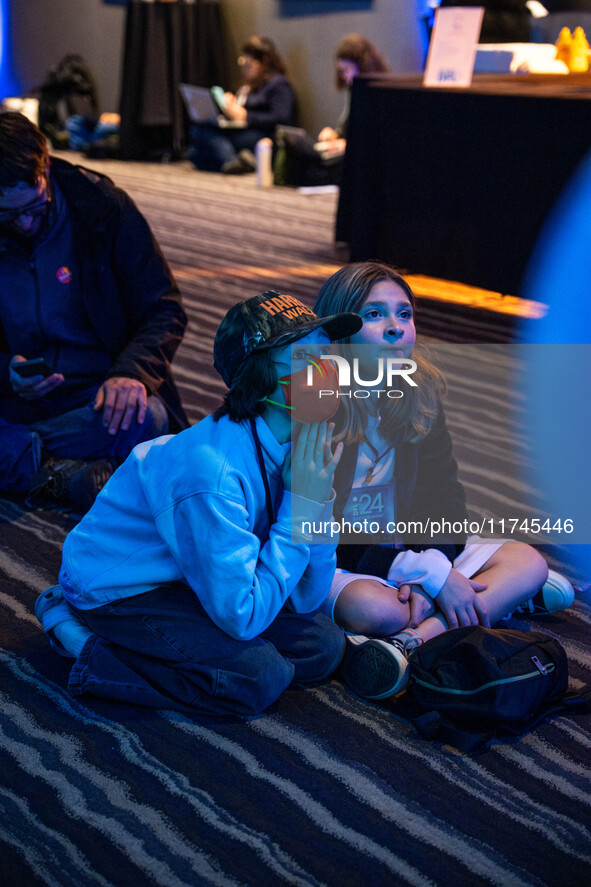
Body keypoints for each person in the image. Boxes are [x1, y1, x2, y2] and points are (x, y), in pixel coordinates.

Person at [34, 291, 363, 719]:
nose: (326, 370)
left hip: (195, 577)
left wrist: (317, 498)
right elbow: (242, 618)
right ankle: (82, 640)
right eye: (304, 355)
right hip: (122, 588)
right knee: (259, 677)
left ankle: (177, 647)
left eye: (326, 352)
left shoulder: (300, 445)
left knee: (324, 645)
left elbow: (305, 597)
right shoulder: (211, 472)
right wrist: (301, 506)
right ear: (260, 374)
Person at [313, 262, 575, 700]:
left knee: (530, 561)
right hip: (341, 556)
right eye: (374, 315)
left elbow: (446, 501)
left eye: (404, 313)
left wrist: (431, 565)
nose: (396, 328)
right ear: (341, 331)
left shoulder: (419, 392)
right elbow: (319, 530)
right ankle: (486, 604)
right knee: (375, 609)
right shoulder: (317, 402)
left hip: (411, 548)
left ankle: (410, 642)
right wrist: (424, 572)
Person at [0, 112, 189, 513]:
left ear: (45, 166)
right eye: (9, 216)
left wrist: (130, 373)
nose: (27, 223)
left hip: (97, 396)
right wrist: (5, 371)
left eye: (34, 205)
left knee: (147, 418)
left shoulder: (103, 210)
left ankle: (28, 460)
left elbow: (164, 309)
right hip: (18, 400)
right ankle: (66, 476)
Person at [275, 34, 390, 188]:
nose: (346, 76)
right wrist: (334, 135)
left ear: (363, 65)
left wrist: (346, 144)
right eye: (342, 72)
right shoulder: (354, 92)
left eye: (348, 70)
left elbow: (379, 139)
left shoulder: (380, 93)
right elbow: (347, 130)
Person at [188, 36, 297, 175]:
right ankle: (238, 161)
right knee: (196, 143)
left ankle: (230, 160)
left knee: (202, 138)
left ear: (264, 62)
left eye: (248, 63)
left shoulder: (278, 84)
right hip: (241, 131)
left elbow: (282, 118)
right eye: (242, 63)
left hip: (263, 136)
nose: (244, 68)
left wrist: (246, 116)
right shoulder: (248, 86)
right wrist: (229, 104)